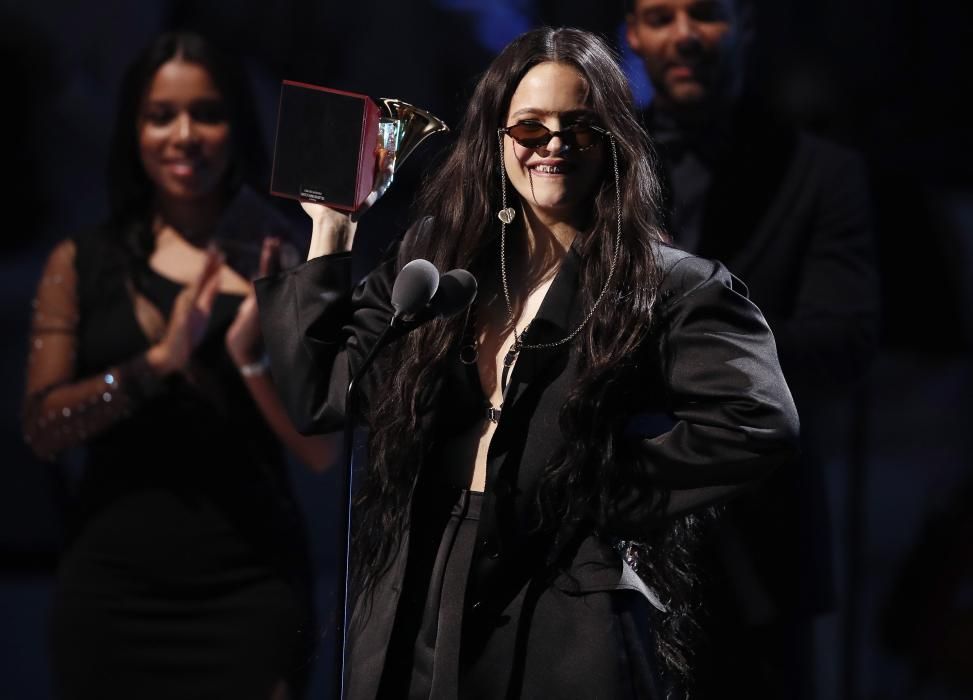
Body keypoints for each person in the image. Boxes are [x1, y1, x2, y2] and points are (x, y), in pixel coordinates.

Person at [257, 27, 799, 699]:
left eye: (578, 126)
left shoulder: (668, 284)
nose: (553, 146)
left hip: (559, 598)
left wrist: (602, 485)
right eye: (530, 129)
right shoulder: (439, 262)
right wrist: (332, 229)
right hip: (421, 581)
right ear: (497, 140)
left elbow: (757, 421)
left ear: (612, 140)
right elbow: (320, 394)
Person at [23, 32, 335, 699]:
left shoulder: (280, 258)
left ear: (236, 125)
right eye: (161, 115)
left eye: (207, 113)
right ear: (134, 130)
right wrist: (157, 362)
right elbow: (44, 429)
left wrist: (248, 358)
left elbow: (322, 454)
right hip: (113, 593)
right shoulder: (80, 263)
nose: (185, 134)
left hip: (250, 590)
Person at [625, 0, 880, 696]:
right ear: (632, 34)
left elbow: (844, 342)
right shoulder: (598, 165)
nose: (683, 35)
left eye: (705, 14)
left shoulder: (820, 171)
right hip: (613, 534)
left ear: (744, 27)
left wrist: (683, 325)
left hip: (760, 558)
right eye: (660, 16)